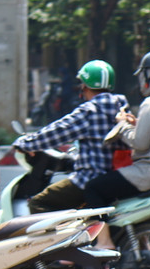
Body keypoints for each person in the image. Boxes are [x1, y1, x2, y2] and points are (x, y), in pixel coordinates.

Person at [81, 50, 150, 249]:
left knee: (94, 187)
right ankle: (142, 244)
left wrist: (122, 124)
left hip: (149, 174)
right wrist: (136, 124)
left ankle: (104, 242)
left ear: (148, 76)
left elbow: (139, 143)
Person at [12, 59, 129, 213]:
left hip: (90, 179)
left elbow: (58, 132)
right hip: (118, 178)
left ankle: (53, 238)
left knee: (38, 203)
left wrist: (25, 143)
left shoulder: (90, 111)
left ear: (85, 86)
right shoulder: (123, 110)